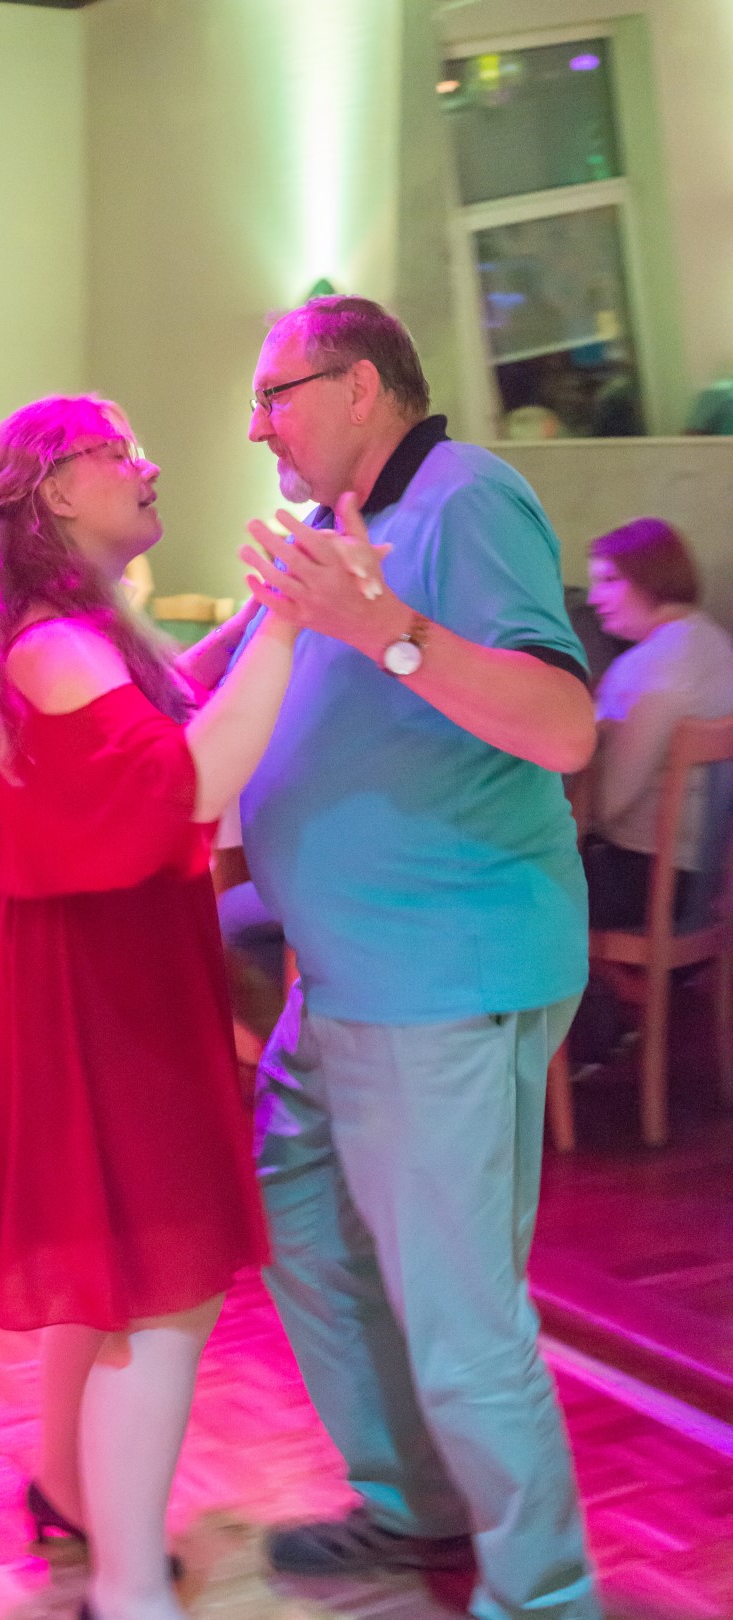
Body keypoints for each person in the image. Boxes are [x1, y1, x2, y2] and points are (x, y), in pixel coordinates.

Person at [236, 296, 600, 1620]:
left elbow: (563, 726)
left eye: (276, 395)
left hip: (446, 971)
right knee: (302, 1224)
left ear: (363, 387)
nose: (258, 426)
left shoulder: (466, 498)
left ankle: (543, 1595)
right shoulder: (344, 529)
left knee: (459, 1311)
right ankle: (416, 1507)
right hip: (346, 975)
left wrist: (386, 626)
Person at [0, 394, 294, 1620]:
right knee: (164, 1280)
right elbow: (187, 781)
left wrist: (251, 623)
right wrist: (295, 629)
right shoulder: (58, 644)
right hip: (94, 987)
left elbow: (163, 709)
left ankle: (66, 1490)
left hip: (88, 969)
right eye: (118, 449)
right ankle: (131, 1587)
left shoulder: (71, 629)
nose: (148, 466)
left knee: (106, 1258)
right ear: (54, 491)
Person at [584, 518, 733, 927]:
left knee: (502, 880)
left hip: (648, 884)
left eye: (609, 580)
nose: (594, 598)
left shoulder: (647, 667)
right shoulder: (717, 644)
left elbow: (606, 807)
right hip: (707, 885)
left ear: (652, 579)